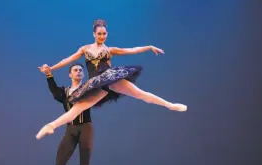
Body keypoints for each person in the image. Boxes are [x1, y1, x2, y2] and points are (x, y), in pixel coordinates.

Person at [36, 19, 187, 140]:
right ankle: (52, 125)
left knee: (140, 93)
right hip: (96, 84)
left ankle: (169, 105)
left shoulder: (110, 50)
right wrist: (52, 68)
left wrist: (148, 47)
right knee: (78, 108)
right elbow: (68, 59)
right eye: (99, 34)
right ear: (94, 34)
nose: (102, 37)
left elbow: (130, 50)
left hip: (110, 78)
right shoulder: (85, 49)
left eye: (104, 34)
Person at [41, 64, 93, 165]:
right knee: (59, 164)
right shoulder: (65, 92)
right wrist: (48, 75)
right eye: (75, 70)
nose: (78, 72)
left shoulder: (88, 88)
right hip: (71, 129)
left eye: (80, 70)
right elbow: (55, 93)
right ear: (70, 74)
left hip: (85, 128)